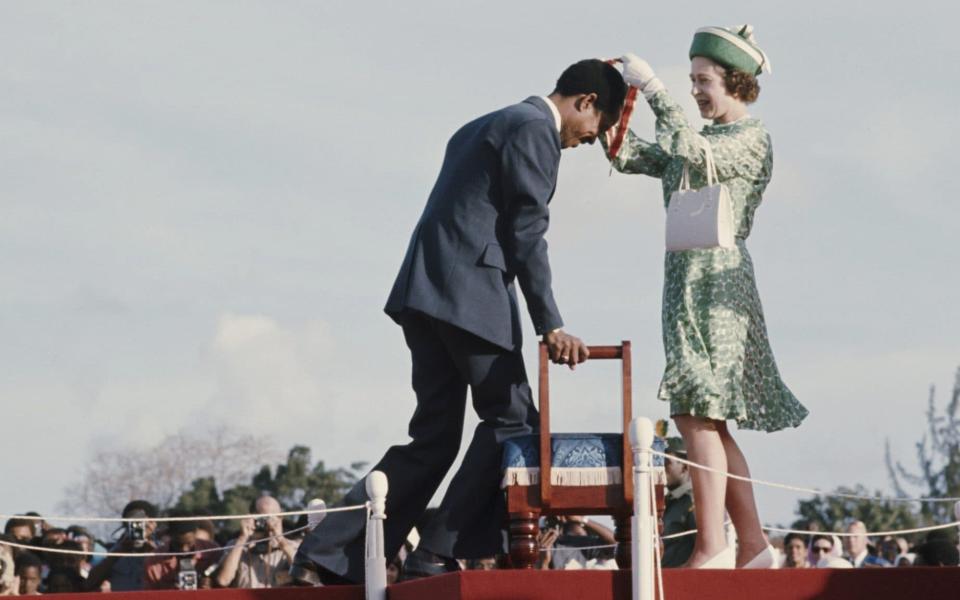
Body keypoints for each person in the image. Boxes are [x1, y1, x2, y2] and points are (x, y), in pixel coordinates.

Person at [292, 59, 626, 585]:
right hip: (470, 294)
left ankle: (329, 555)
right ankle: (434, 555)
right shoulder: (535, 130)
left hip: (423, 292)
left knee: (433, 438)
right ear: (585, 101)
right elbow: (526, 232)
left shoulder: (482, 122)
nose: (589, 141)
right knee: (515, 424)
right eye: (597, 129)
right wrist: (551, 324)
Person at [603, 25, 808, 569]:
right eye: (691, 80)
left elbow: (687, 148)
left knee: (696, 411)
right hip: (684, 283)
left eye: (703, 80)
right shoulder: (696, 140)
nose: (694, 89)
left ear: (736, 82)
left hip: (719, 285)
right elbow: (629, 156)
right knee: (707, 417)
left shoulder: (750, 138)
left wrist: (653, 89)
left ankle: (713, 545)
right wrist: (607, 101)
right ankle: (755, 545)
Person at [214, 496, 299, 588]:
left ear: (281, 518)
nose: (267, 523)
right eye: (262, 518)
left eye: (272, 517)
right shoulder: (236, 545)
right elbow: (223, 580)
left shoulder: (291, 546)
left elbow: (302, 576)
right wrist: (242, 538)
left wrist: (281, 540)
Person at [85, 500, 160, 592]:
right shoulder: (112, 552)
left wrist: (156, 553)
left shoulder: (164, 551)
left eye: (141, 521)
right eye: (132, 521)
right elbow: (89, 583)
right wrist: (117, 554)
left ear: (153, 523)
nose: (137, 527)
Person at [144, 515, 220, 590]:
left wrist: (210, 586)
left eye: (189, 543)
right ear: (170, 535)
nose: (184, 550)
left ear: (195, 534)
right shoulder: (154, 560)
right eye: (179, 544)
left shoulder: (212, 551)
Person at [661, 437, 696, 567]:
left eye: (667, 463)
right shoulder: (667, 501)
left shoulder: (691, 501)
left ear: (685, 467)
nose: (661, 468)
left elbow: (702, 549)